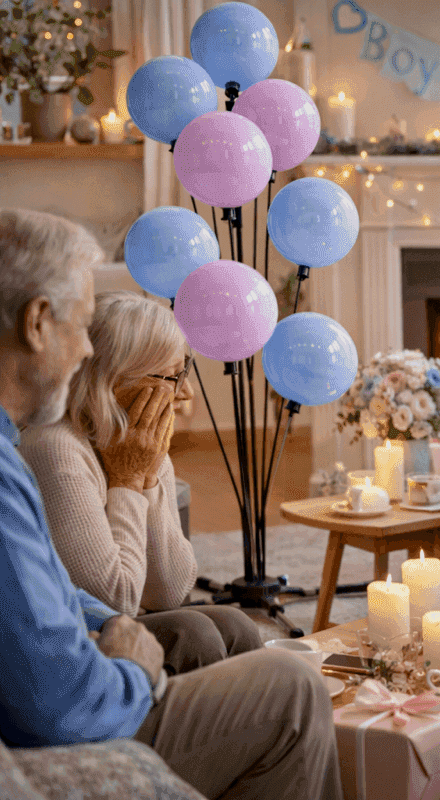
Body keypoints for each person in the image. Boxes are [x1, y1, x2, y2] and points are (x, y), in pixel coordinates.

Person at [0, 208, 341, 800]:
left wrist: (147, 471)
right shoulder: (45, 450)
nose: (83, 350)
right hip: (82, 715)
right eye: (80, 326)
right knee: (290, 684)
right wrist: (132, 665)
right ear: (37, 323)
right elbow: (111, 610)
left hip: (93, 663)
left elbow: (168, 587)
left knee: (229, 624)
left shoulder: (107, 441)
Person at [19, 290, 261, 675]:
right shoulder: (55, 447)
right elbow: (115, 601)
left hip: (117, 615)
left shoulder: (136, 442)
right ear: (116, 378)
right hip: (78, 636)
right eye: (173, 376)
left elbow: (171, 591)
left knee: (238, 626)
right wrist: (128, 481)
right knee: (193, 633)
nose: (185, 392)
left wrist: (147, 477)